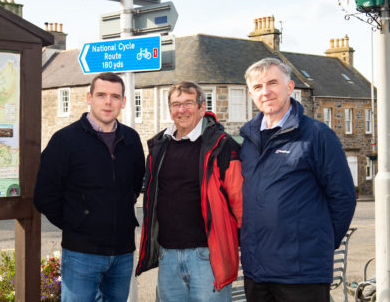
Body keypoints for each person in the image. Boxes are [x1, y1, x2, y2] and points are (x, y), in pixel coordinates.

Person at [240, 57, 357, 302]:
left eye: (272, 83)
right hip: (257, 274)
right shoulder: (247, 141)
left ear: (290, 87)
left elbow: (343, 197)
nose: (266, 92)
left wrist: (318, 245)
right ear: (251, 94)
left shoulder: (317, 135)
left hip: (302, 275)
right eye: (258, 87)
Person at [34, 72, 145, 302]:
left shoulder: (132, 139)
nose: (108, 102)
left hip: (123, 253)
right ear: (89, 97)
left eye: (115, 96)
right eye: (101, 94)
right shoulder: (65, 140)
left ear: (123, 102)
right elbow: (45, 193)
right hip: (81, 254)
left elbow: (134, 187)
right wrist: (78, 223)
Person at [136, 81, 243, 301]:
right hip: (167, 255)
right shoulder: (159, 146)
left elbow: (239, 202)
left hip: (207, 256)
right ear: (170, 109)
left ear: (202, 108)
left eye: (188, 103)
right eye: (176, 104)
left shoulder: (223, 146)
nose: (181, 110)